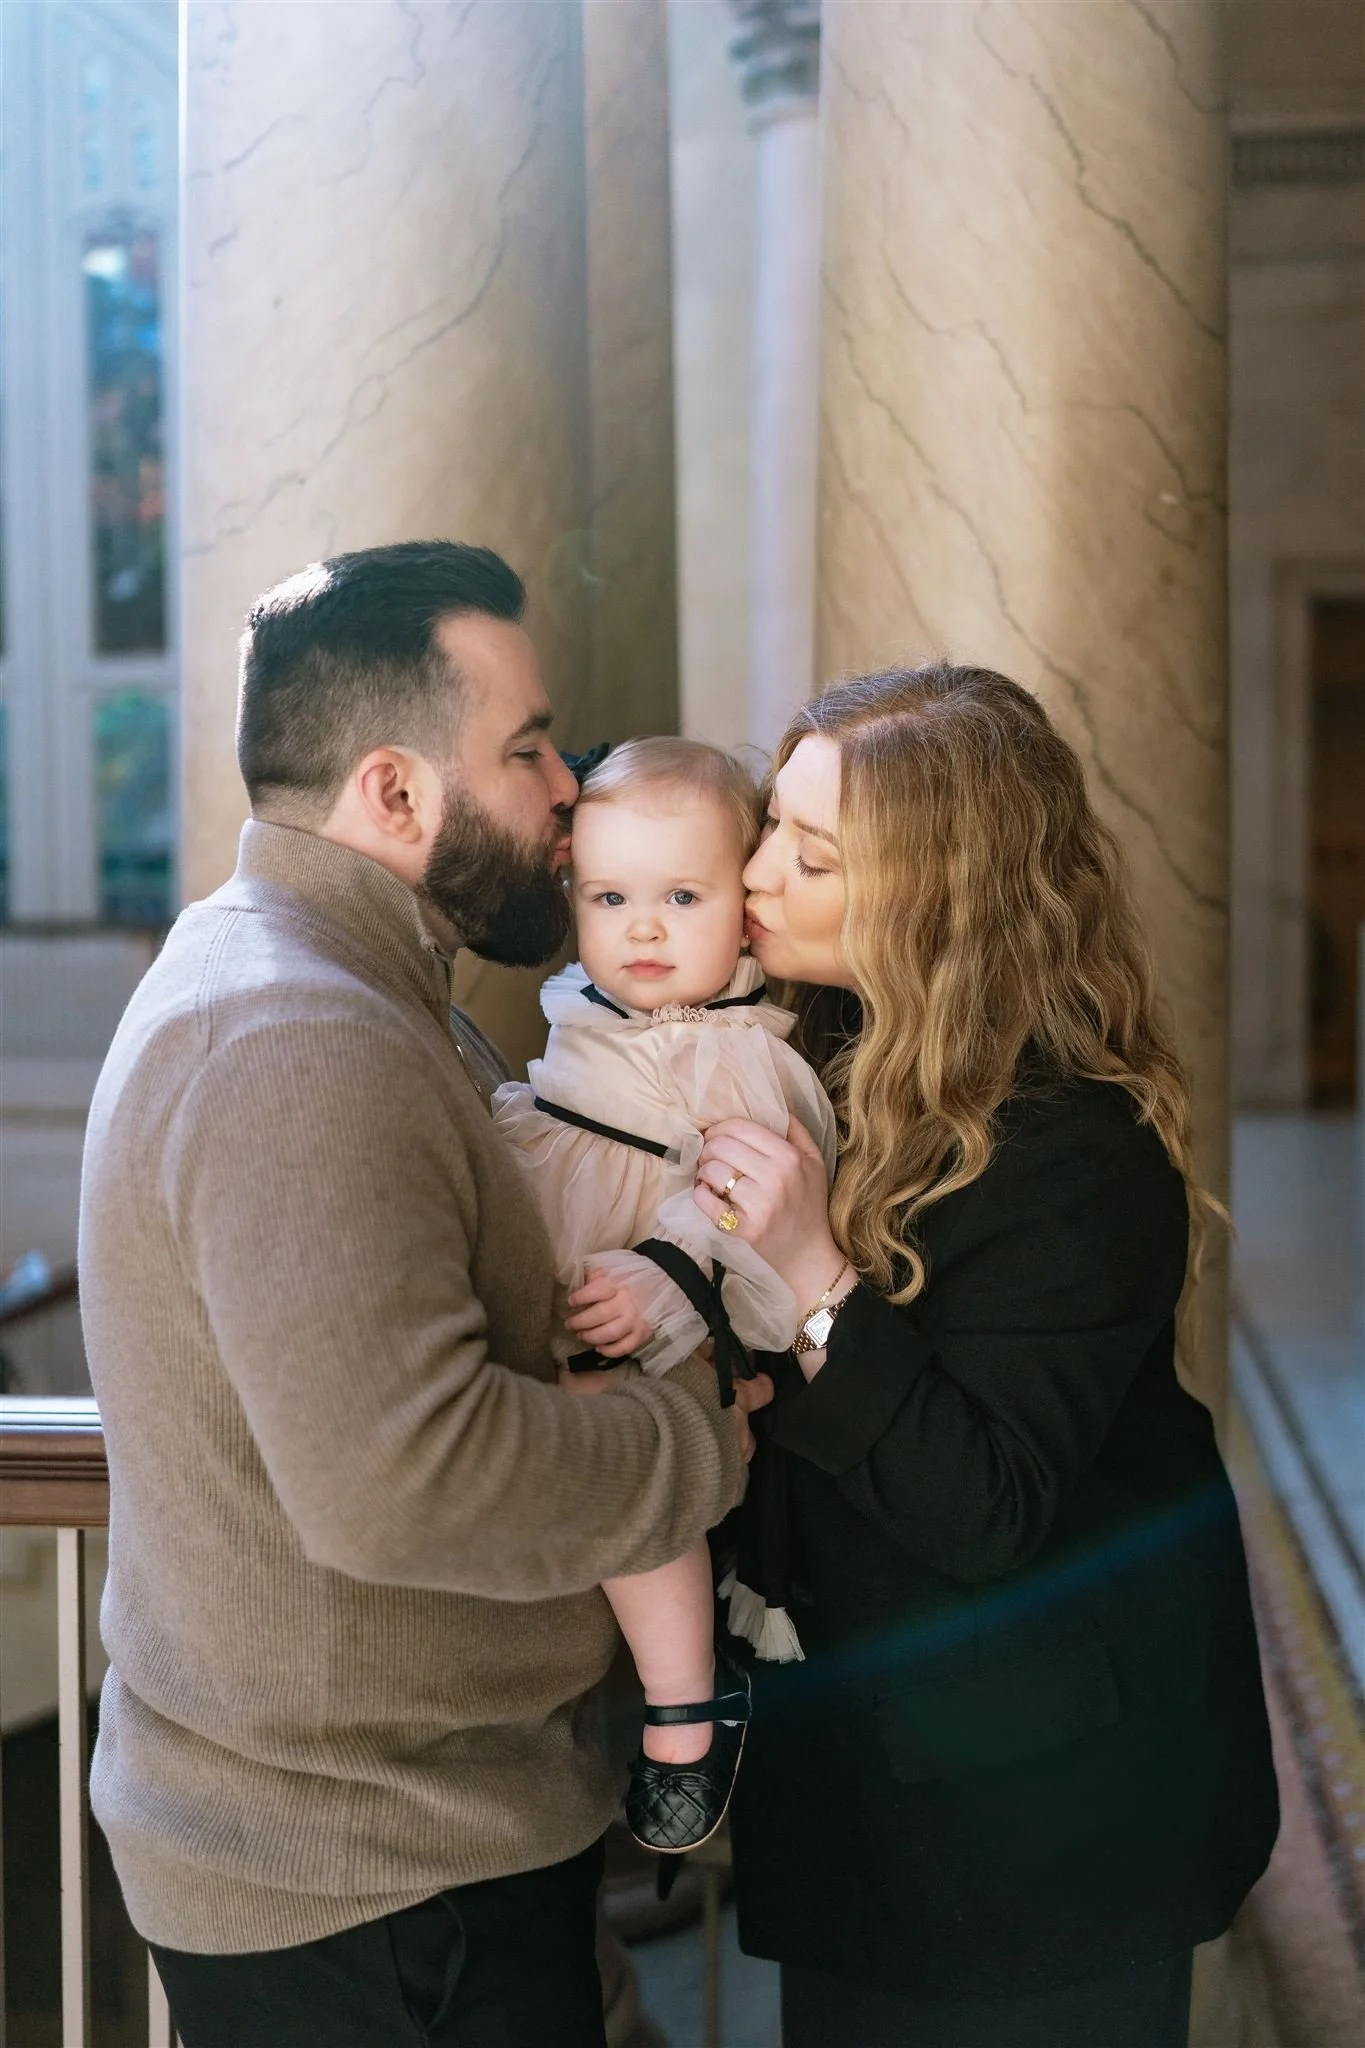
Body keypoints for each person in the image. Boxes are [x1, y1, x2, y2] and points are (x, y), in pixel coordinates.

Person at [79, 541, 751, 2048]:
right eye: (527, 750)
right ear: (392, 791)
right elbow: (405, 1477)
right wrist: (698, 1440)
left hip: (413, 1853)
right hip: (372, 1895)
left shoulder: (341, 985)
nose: (569, 788)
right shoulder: (294, 1038)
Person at [688, 664, 1280, 2048]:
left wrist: (816, 1277)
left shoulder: (1080, 1151)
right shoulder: (815, 1055)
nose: (756, 875)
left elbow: (985, 1505)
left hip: (1048, 1836)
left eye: (811, 855)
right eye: (770, 826)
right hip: (863, 1794)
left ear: (936, 900)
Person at [491, 737, 835, 1852]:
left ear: (746, 905)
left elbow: (749, 1196)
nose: (642, 928)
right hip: (581, 1294)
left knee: (619, 1444)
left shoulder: (732, 1051)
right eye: (610, 897)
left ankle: (688, 1700)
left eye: (681, 897)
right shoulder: (592, 1015)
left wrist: (666, 1278)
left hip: (670, 1312)